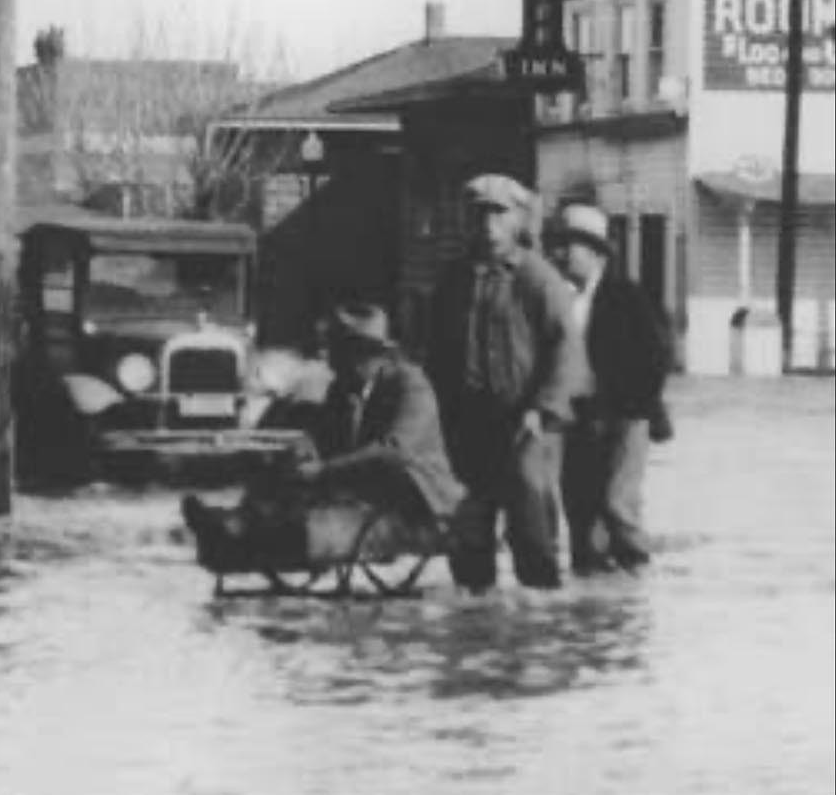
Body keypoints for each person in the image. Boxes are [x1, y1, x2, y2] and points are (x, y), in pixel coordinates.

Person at [182, 301, 466, 567]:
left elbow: (394, 451)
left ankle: (234, 534)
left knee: (318, 530)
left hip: (419, 508)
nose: (331, 364)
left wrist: (322, 470)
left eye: (338, 355)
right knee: (287, 492)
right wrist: (303, 453)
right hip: (366, 496)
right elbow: (328, 439)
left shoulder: (410, 385)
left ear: (365, 355)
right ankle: (232, 526)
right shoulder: (343, 388)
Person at [427, 174, 586, 592]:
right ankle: (477, 620)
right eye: (479, 215)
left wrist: (543, 408)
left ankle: (540, 614)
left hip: (524, 424)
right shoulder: (455, 279)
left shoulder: (538, 279)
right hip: (467, 422)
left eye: (499, 214)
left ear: (519, 220)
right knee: (470, 526)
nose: (488, 226)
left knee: (531, 521)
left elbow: (565, 349)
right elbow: (434, 347)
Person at [547, 203, 671, 574]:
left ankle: (638, 583)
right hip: (576, 416)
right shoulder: (558, 299)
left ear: (598, 254)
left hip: (625, 415)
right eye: (560, 245)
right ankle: (595, 601)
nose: (562, 254)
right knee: (580, 510)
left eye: (573, 246)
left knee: (618, 503)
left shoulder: (627, 298)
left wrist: (632, 406)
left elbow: (658, 356)